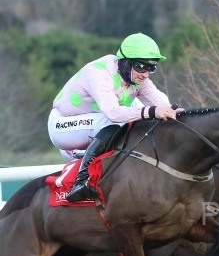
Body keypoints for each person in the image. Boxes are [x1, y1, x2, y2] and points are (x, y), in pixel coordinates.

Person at [48, 32, 181, 202]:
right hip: (63, 127)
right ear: (125, 62)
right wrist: (152, 111)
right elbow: (112, 113)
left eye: (151, 67)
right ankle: (81, 181)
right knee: (123, 118)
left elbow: (162, 105)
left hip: (96, 125)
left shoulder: (139, 79)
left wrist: (175, 112)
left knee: (145, 112)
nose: (146, 74)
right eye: (141, 67)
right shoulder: (98, 71)